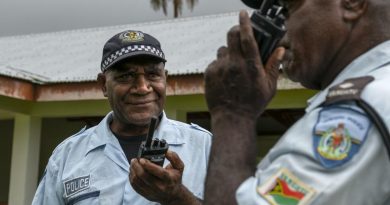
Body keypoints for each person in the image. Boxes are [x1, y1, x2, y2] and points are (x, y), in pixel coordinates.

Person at [203, 0, 390, 204]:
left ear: (352, 4)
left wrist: (233, 113)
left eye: (287, 10)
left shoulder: (361, 112)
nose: (279, 36)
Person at [32, 30, 211, 205]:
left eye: (153, 75)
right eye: (126, 76)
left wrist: (178, 197)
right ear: (103, 85)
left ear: (165, 79)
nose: (142, 88)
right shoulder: (67, 156)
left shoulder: (204, 146)